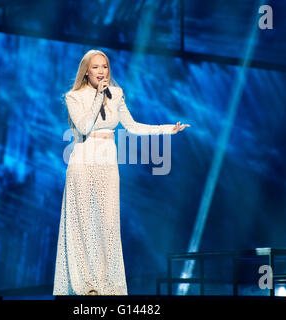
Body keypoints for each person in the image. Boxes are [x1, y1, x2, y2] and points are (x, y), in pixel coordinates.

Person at [53, 49, 190, 296]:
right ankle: (87, 286)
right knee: (83, 223)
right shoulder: (73, 96)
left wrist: (168, 129)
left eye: (104, 66)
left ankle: (106, 283)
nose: (101, 71)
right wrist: (97, 96)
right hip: (83, 163)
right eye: (95, 67)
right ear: (86, 71)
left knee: (106, 222)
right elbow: (84, 126)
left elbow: (133, 126)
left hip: (107, 164)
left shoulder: (116, 94)